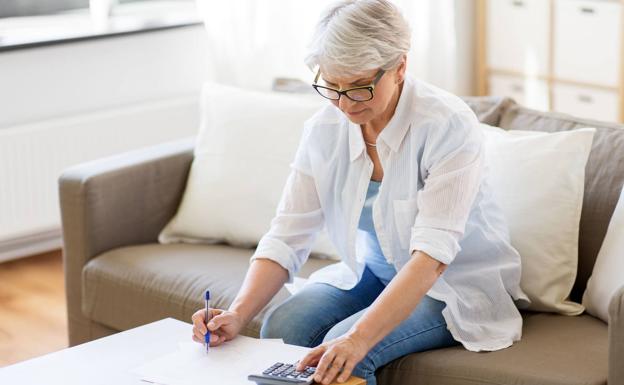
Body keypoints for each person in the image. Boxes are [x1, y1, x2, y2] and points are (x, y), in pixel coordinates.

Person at [191, 1, 530, 384]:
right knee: (283, 325)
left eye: (359, 87)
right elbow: (287, 234)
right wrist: (237, 313)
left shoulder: (446, 126)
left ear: (400, 66)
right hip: (376, 272)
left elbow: (433, 257)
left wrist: (355, 339)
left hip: (452, 285)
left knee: (344, 352)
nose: (344, 103)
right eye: (332, 85)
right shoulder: (325, 128)